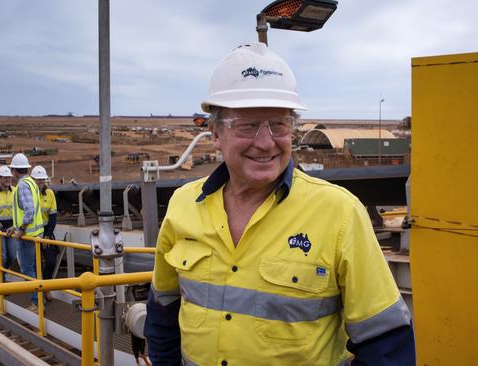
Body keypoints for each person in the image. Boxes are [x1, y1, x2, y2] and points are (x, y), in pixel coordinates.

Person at [144, 43, 415, 366]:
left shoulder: (338, 213)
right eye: (247, 125)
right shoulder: (183, 205)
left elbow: (386, 344)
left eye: (279, 124)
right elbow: (163, 310)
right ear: (215, 133)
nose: (265, 141)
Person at [5, 153, 43, 311]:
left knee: (27, 269)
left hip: (28, 236)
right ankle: (41, 296)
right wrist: (15, 226)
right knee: (34, 268)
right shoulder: (32, 183)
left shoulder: (22, 185)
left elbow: (29, 211)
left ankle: (36, 303)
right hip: (34, 233)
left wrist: (21, 229)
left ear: (14, 171)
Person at [31, 165, 58, 301]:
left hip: (46, 232)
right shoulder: (29, 195)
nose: (40, 182)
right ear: (33, 180)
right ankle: (39, 292)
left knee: (51, 261)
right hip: (33, 233)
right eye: (38, 180)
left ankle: (46, 286)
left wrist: (47, 235)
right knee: (36, 264)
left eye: (42, 180)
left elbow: (53, 216)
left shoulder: (50, 194)